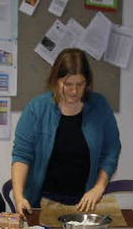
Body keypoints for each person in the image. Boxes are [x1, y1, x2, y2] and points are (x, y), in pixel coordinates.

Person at [11, 48, 121, 213]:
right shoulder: (37, 108)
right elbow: (21, 155)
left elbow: (111, 150)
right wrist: (19, 198)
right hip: (42, 200)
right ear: (56, 80)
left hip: (85, 202)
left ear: (87, 83)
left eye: (80, 84)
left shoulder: (100, 107)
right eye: (68, 84)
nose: (74, 91)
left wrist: (98, 187)